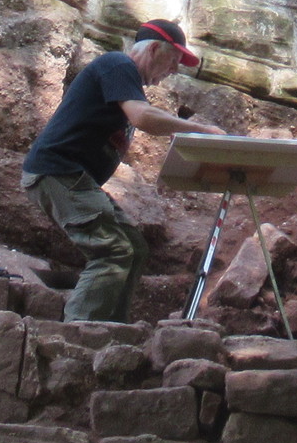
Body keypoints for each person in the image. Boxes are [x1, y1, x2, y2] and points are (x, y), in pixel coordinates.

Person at [22, 18, 200, 322]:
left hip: (75, 179)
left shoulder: (125, 81)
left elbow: (141, 115)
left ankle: (113, 328)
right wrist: (199, 129)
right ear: (154, 49)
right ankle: (78, 332)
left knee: (134, 248)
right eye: (173, 60)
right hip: (57, 172)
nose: (174, 71)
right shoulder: (118, 64)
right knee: (112, 251)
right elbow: (142, 117)